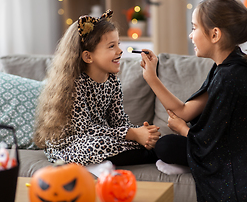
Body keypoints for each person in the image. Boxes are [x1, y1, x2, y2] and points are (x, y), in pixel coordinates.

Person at [139, 0, 247, 201]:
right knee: (157, 144)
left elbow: (212, 143)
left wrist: (182, 129)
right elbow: (185, 111)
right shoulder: (226, 67)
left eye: (194, 28)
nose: (191, 35)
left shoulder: (231, 76)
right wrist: (152, 77)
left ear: (215, 34)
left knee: (165, 146)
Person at [33, 10, 160, 166]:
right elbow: (86, 130)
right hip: (71, 145)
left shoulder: (113, 82)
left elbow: (118, 122)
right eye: (111, 46)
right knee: (97, 146)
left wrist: (142, 133)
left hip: (102, 135)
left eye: (118, 44)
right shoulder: (75, 85)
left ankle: (150, 153)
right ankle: (150, 155)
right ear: (88, 56)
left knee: (142, 141)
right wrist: (133, 134)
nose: (120, 51)